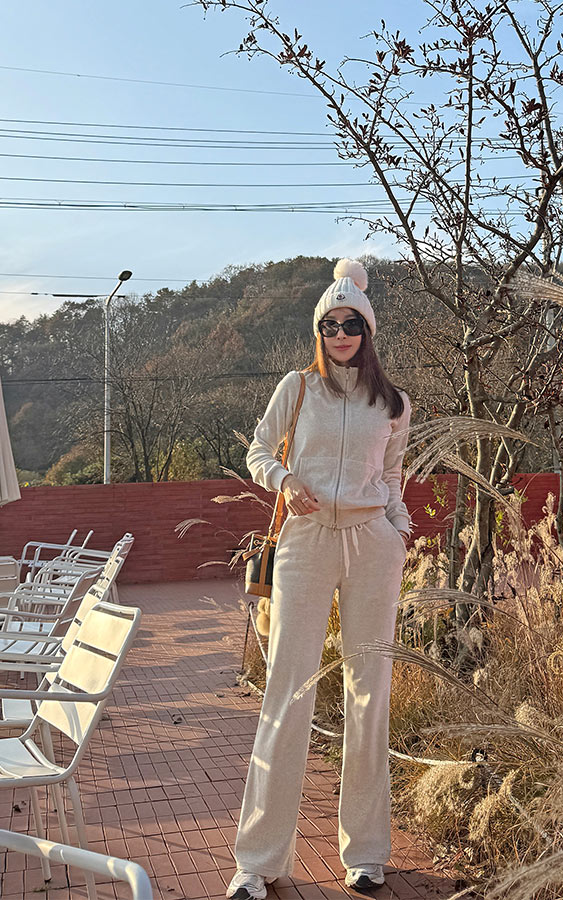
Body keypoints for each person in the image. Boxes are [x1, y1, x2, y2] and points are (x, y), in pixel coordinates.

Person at [226, 259, 412, 900]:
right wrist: (284, 481)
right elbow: (258, 450)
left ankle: (367, 852)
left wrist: (398, 528)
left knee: (369, 694)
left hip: (372, 545)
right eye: (330, 324)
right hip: (305, 542)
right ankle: (258, 862)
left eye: (351, 323)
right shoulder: (297, 388)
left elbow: (392, 477)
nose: (340, 334)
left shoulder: (393, 403)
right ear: (318, 330)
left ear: (367, 330)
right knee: (287, 690)